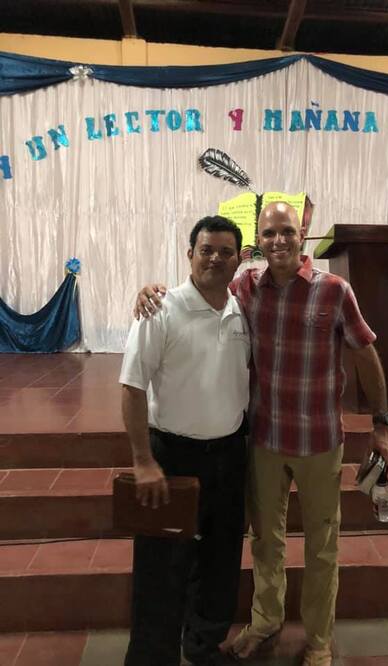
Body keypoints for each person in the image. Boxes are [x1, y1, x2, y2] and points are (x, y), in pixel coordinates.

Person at [135, 202, 388, 666]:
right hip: (264, 442)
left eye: (287, 231)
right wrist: (151, 291)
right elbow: (201, 284)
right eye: (270, 233)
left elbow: (365, 353)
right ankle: (265, 622)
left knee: (322, 546)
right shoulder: (246, 288)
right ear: (258, 241)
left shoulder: (334, 290)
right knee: (265, 542)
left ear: (303, 234)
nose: (279, 240)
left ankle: (318, 640)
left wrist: (382, 425)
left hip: (319, 442)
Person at [120, 216, 251, 666]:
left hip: (230, 457)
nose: (215, 258)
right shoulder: (160, 309)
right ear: (190, 254)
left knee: (220, 562)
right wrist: (142, 460)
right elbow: (132, 387)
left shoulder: (241, 309)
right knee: (161, 568)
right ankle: (151, 657)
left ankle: (202, 646)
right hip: (172, 457)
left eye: (225, 252)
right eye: (206, 250)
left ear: (238, 259)